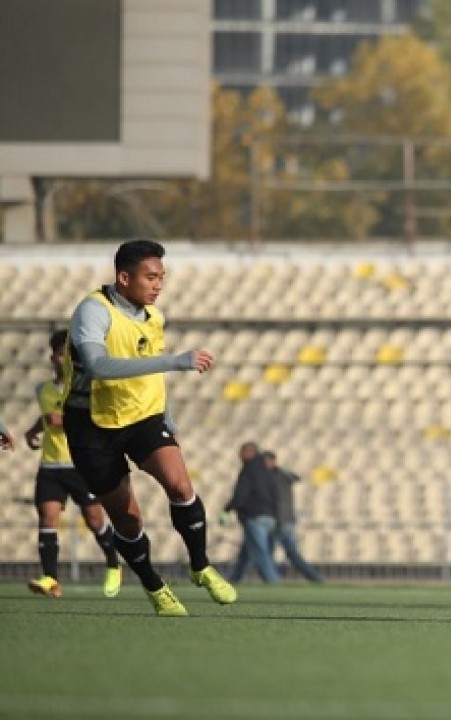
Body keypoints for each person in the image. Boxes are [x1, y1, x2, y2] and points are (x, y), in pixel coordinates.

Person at [62, 239, 237, 616]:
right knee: (128, 518)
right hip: (92, 426)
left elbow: (148, 369)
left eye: (162, 277)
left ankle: (201, 566)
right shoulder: (92, 312)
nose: (158, 285)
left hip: (143, 415)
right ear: (124, 278)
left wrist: (167, 414)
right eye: (150, 277)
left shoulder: (154, 317)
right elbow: (100, 367)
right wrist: (176, 362)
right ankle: (154, 587)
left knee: (180, 485)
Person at [23, 330, 123, 599]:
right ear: (52, 357)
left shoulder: (85, 388)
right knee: (47, 518)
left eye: (67, 353)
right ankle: (51, 579)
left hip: (81, 464)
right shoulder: (42, 389)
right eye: (59, 352)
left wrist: (63, 421)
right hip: (51, 466)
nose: (62, 358)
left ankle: (114, 562)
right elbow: (47, 417)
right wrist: (34, 431)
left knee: (94, 520)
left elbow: (95, 420)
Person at [224, 442, 282, 584]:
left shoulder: (249, 469)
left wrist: (228, 508)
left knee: (260, 551)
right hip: (269, 515)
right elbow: (276, 494)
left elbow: (241, 493)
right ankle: (235, 579)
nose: (239, 456)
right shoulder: (268, 471)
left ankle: (273, 582)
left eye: (242, 452)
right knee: (247, 550)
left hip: (254, 515)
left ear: (250, 452)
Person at [264, 450, 324, 583]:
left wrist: (278, 519)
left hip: (281, 520)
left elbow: (279, 500)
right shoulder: (281, 475)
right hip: (287, 520)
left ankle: (273, 579)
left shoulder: (276, 477)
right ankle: (316, 578)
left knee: (267, 552)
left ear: (273, 461)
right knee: (292, 554)